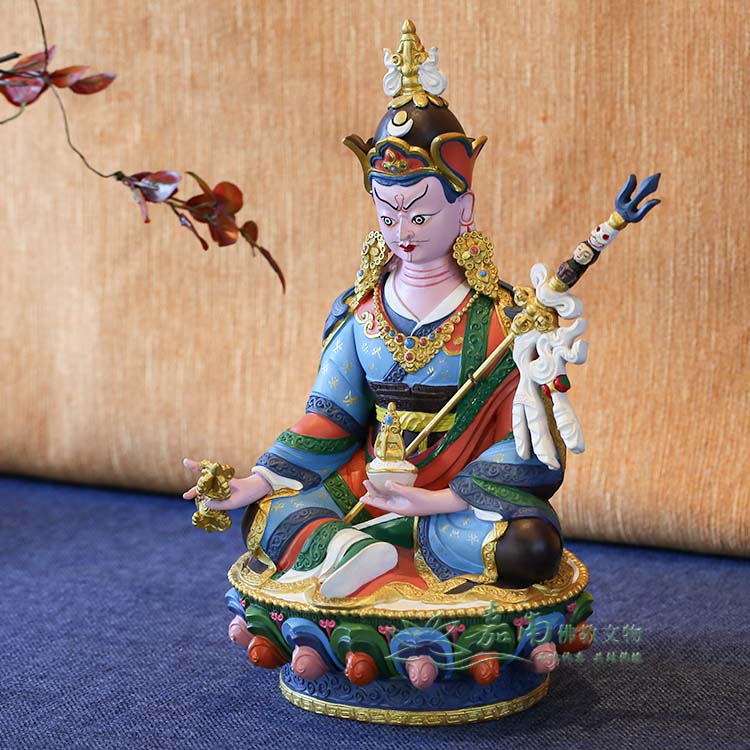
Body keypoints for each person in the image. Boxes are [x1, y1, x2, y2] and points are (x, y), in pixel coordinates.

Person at [182, 21, 581, 599]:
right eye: (388, 215)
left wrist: (436, 499)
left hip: (454, 502)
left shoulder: (502, 317)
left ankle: (363, 552)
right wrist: (258, 479)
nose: (403, 233)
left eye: (419, 215)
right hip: (367, 486)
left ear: (464, 208)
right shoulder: (360, 310)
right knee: (266, 518)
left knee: (529, 546)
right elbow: (330, 417)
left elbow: (528, 440)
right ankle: (355, 551)